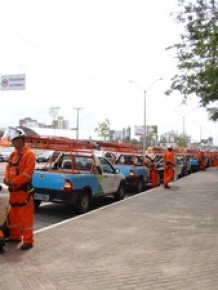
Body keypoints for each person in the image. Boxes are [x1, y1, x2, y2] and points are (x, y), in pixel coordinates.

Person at [3, 127, 36, 250]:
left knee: (26, 217)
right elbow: (7, 169)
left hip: (23, 191)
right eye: (12, 140)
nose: (13, 143)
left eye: (15, 140)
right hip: (13, 192)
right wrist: (6, 179)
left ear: (22, 140)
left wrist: (13, 181)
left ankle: (28, 240)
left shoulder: (29, 154)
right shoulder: (13, 154)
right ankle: (15, 236)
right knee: (13, 215)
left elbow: (27, 174)